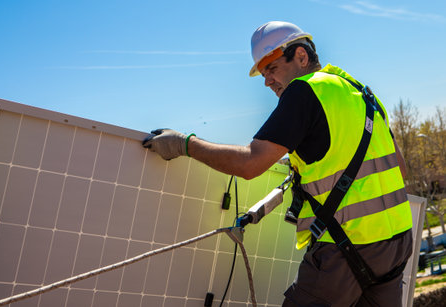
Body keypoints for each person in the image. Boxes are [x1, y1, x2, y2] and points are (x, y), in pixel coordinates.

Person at [143, 21, 413, 307]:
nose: (267, 81)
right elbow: (400, 169)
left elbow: (251, 164)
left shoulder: (304, 91)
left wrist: (184, 144)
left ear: (301, 56)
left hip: (345, 249)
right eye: (262, 73)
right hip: (396, 244)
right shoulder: (363, 94)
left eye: (271, 68)